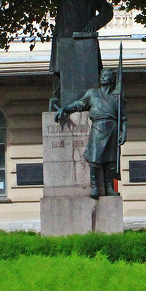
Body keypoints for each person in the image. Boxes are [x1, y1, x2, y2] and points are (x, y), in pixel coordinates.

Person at [55, 68, 127, 198]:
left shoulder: (116, 97)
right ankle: (95, 187)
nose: (103, 77)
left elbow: (122, 116)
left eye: (107, 75)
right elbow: (79, 104)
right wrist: (64, 108)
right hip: (98, 127)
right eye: (102, 75)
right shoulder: (92, 93)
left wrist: (124, 131)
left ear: (112, 79)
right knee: (95, 158)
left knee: (111, 160)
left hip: (112, 128)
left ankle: (109, 186)